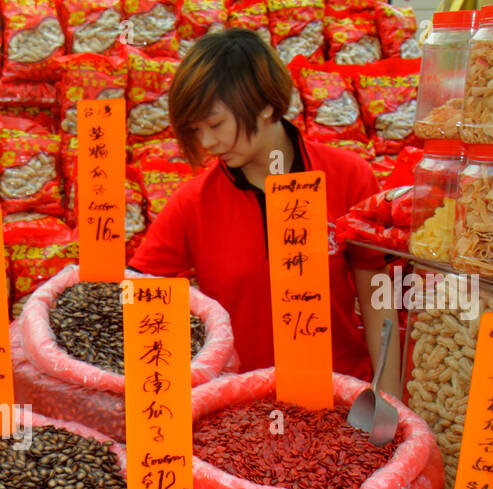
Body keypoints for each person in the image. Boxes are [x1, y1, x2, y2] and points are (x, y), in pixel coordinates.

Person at [129, 29, 400, 396]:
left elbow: (376, 297)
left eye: (215, 124)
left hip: (342, 398)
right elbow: (137, 293)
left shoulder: (350, 176)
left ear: (266, 105)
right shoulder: (193, 202)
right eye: (196, 130)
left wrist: (386, 397)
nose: (207, 143)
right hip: (240, 409)